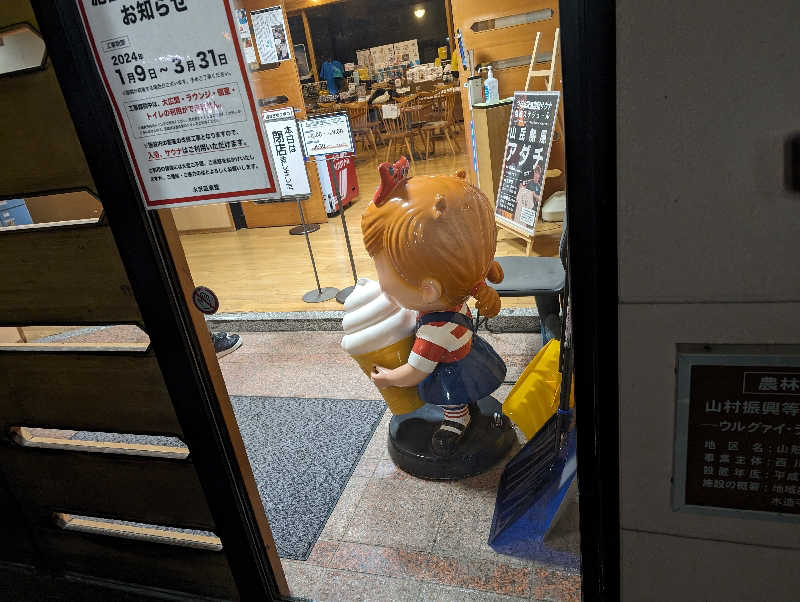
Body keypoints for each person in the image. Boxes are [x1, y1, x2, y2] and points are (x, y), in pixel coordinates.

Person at [363, 157, 507, 455]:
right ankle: (463, 409)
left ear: (428, 290)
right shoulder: (458, 294)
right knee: (459, 391)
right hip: (464, 352)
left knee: (450, 399)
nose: (379, 281)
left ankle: (457, 421)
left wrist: (387, 377)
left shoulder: (434, 332)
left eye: (381, 268)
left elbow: (414, 373)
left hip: (451, 370)